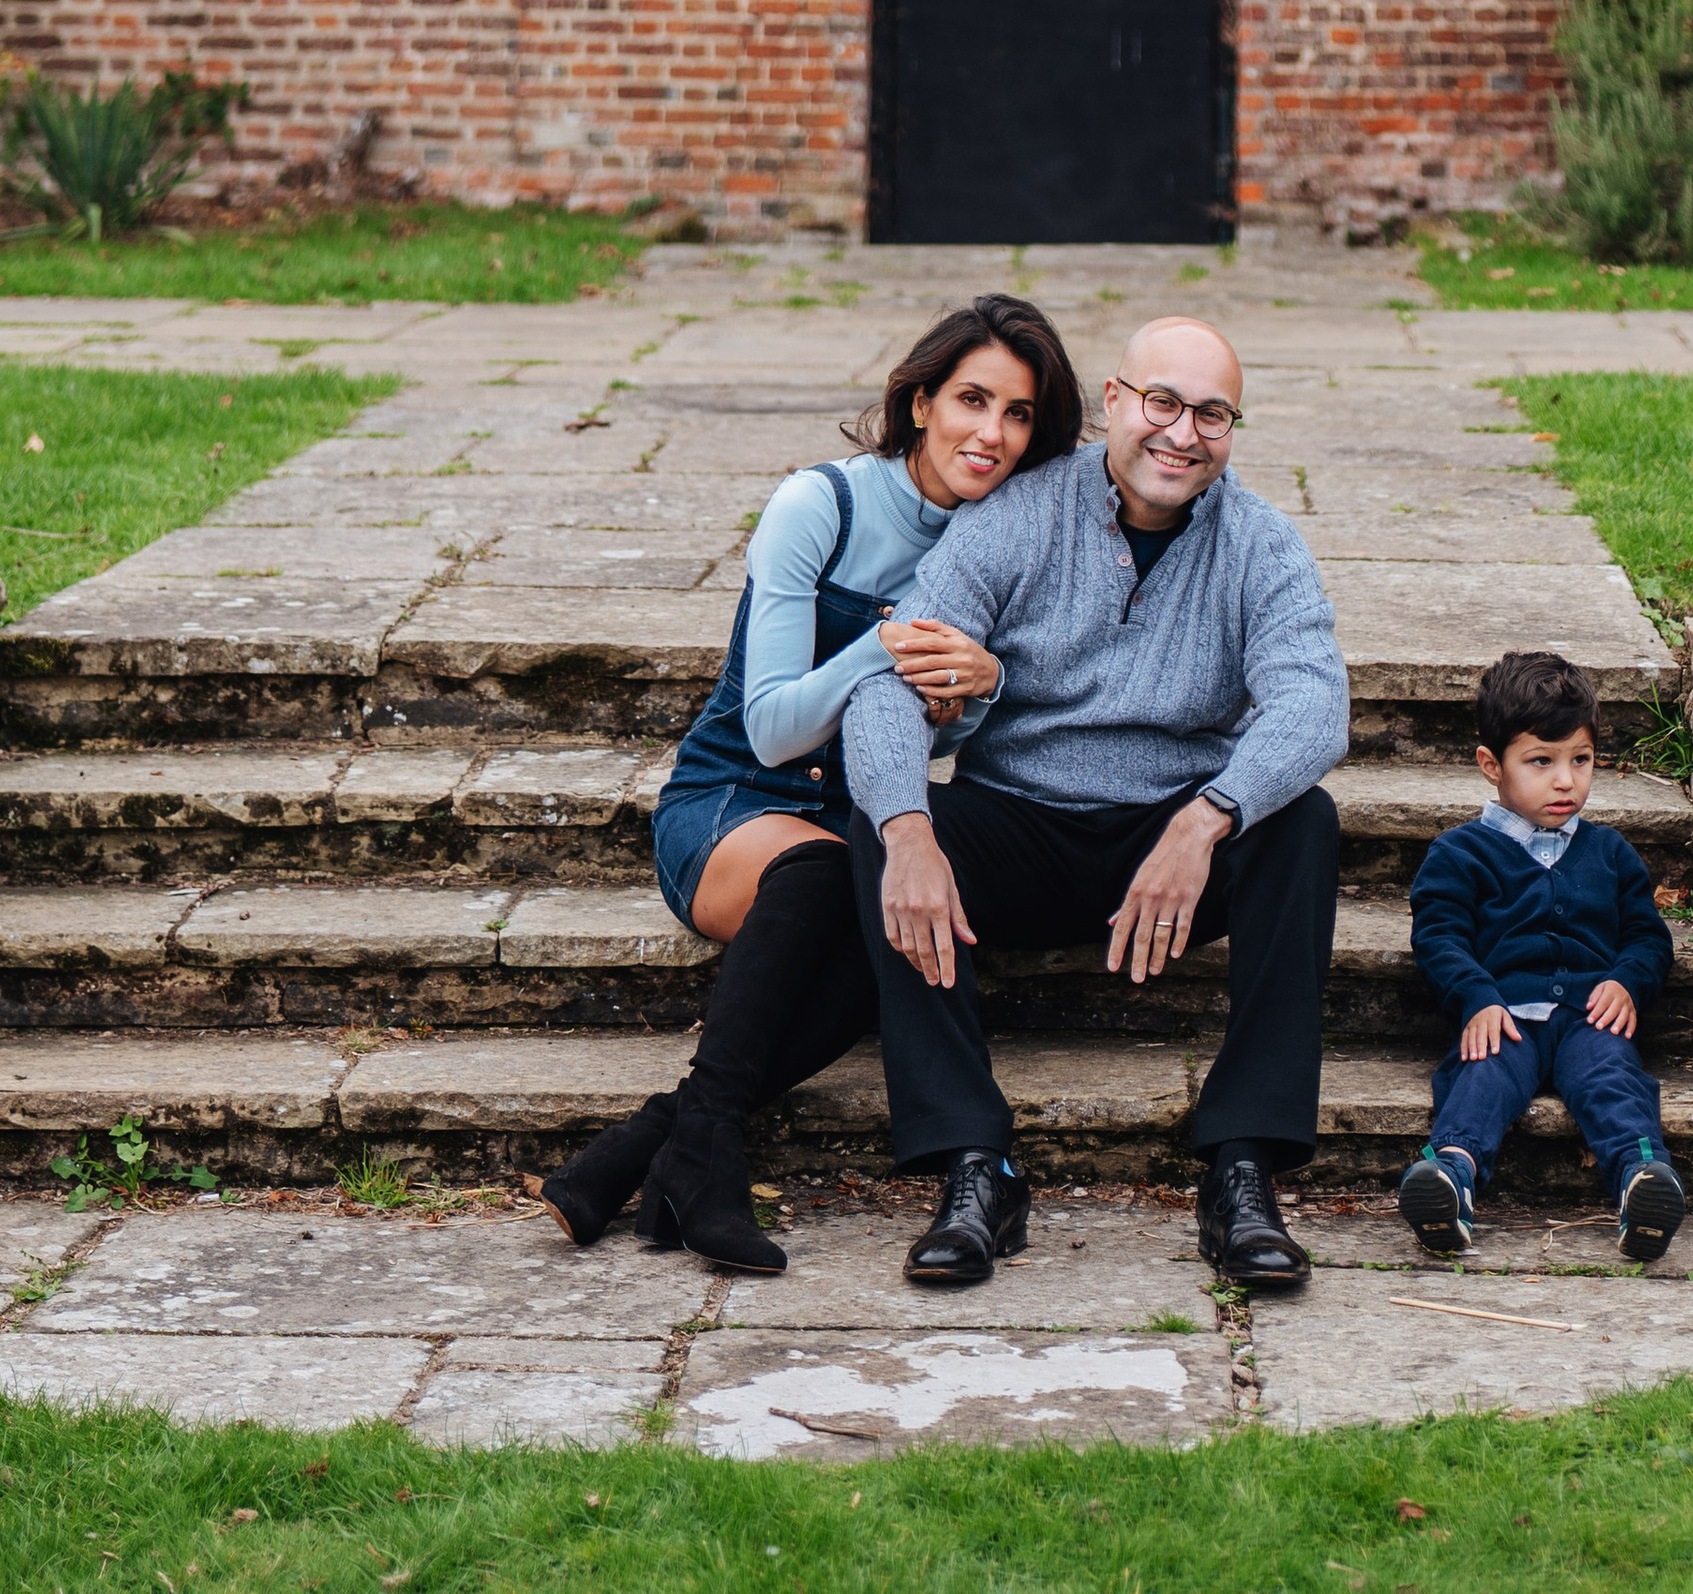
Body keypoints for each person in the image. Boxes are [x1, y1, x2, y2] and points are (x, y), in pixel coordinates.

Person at [542, 295, 1083, 1271]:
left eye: (1019, 415)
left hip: (859, 818)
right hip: (736, 802)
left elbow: (965, 754)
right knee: (837, 886)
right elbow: (775, 726)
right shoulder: (820, 505)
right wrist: (880, 647)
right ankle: (691, 1152)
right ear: (920, 401)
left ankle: (654, 1148)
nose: (991, 434)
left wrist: (989, 683)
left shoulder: (1000, 541)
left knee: (894, 934)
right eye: (972, 400)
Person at [843, 314, 1347, 1294]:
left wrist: (1209, 817)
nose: (1182, 433)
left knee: (1303, 820)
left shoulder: (1260, 543)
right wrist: (907, 831)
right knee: (883, 817)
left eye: (1212, 413)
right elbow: (885, 684)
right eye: (1163, 402)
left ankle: (1242, 1169)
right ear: (1114, 402)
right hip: (1019, 832)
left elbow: (1315, 702)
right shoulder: (1018, 516)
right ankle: (974, 1168)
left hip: (1171, 848)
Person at [1397, 648, 1687, 1264]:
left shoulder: (1609, 852)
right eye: (1541, 761)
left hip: (1591, 1016)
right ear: (1490, 765)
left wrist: (1629, 982)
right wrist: (1476, 998)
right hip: (1505, 1013)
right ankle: (1451, 1174)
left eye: (1580, 760)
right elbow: (1439, 937)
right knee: (1482, 1075)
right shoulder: (1459, 854)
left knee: (1613, 1079)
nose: (1566, 780)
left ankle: (1643, 1183)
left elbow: (1647, 935)